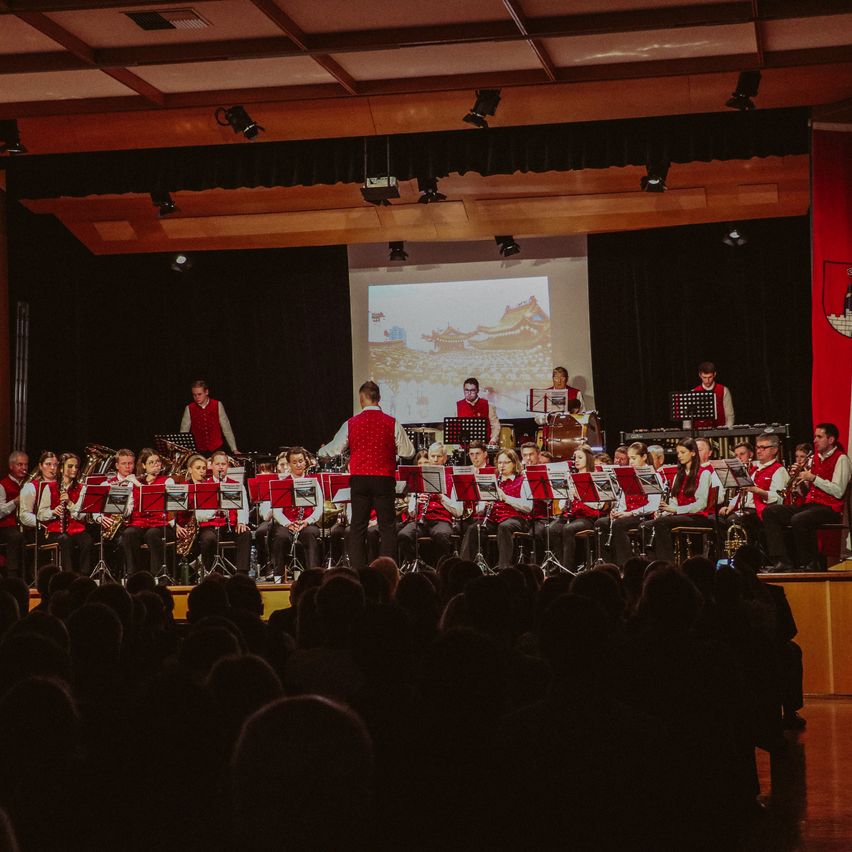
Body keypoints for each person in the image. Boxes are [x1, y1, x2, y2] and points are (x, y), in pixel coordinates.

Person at [318, 381, 414, 570]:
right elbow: (408, 452)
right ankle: (387, 571)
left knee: (358, 526)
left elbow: (334, 449)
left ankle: (358, 570)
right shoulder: (391, 422)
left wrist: (321, 452)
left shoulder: (351, 423)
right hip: (384, 479)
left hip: (360, 479)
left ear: (361, 398)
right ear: (379, 398)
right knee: (387, 527)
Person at [763, 423, 851, 572]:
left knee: (799, 519)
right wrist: (798, 480)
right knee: (770, 512)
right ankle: (782, 560)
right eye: (815, 436)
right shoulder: (814, 458)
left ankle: (810, 562)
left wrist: (813, 478)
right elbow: (807, 491)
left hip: (830, 508)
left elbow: (838, 491)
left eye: (819, 437)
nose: (815, 440)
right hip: (811, 504)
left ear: (831, 440)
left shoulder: (841, 459)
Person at [461, 448, 531, 569]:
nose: (502, 466)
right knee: (474, 528)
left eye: (506, 462)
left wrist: (505, 497)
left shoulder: (523, 481)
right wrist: (484, 505)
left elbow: (528, 507)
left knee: (504, 527)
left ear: (514, 463)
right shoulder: (493, 481)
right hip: (494, 518)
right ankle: (465, 567)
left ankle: (504, 568)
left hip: (516, 518)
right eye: (499, 463)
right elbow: (481, 507)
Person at [648, 437, 714, 563]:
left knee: (661, 523)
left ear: (693, 453)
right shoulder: (679, 474)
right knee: (646, 526)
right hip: (682, 514)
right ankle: (652, 563)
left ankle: (667, 563)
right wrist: (665, 511)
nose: (679, 456)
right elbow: (674, 501)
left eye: (683, 452)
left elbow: (701, 504)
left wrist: (675, 510)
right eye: (678, 453)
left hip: (697, 516)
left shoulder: (704, 473)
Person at [595, 442, 662, 566]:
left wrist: (629, 513)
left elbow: (653, 505)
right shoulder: (627, 474)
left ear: (644, 457)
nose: (631, 462)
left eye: (633, 458)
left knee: (619, 525)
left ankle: (625, 565)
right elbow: (622, 497)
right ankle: (608, 565)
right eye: (630, 458)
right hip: (628, 514)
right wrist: (617, 511)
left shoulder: (653, 475)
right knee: (601, 523)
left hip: (644, 515)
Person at [398, 443, 462, 566]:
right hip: (422, 519)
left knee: (442, 535)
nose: (435, 460)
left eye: (439, 456)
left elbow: (458, 512)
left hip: (441, 520)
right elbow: (411, 512)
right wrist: (417, 502)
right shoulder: (419, 477)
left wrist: (441, 496)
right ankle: (417, 563)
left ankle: (440, 567)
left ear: (445, 458)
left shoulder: (451, 480)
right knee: (403, 535)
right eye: (433, 456)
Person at [718, 434, 788, 545]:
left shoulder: (779, 470)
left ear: (774, 450)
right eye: (758, 447)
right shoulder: (754, 469)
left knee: (734, 521)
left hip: (761, 512)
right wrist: (730, 507)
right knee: (718, 520)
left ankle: (747, 556)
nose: (759, 451)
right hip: (745, 509)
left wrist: (756, 490)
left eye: (763, 448)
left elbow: (779, 498)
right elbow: (741, 494)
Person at [548, 445, 607, 570]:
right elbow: (562, 506)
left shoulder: (595, 476)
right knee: (552, 529)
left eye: (580, 457)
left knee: (568, 529)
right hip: (572, 515)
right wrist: (566, 496)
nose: (576, 461)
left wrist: (579, 495)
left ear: (589, 459)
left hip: (589, 517)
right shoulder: (570, 477)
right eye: (575, 458)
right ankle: (561, 565)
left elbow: (600, 505)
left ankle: (568, 568)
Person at [269, 446, 323, 576]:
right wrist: (288, 523)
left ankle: (313, 575)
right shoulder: (282, 483)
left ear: (305, 462)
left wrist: (307, 521)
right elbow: (276, 510)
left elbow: (319, 507)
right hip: (287, 524)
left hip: (307, 524)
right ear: (289, 464)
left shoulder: (313, 482)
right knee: (280, 536)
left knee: (310, 535)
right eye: (294, 462)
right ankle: (278, 575)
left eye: (301, 461)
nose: (298, 465)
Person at [122, 448, 174, 575]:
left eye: (158, 461)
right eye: (151, 462)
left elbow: (154, 497)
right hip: (139, 523)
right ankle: (134, 574)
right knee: (129, 534)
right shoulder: (134, 483)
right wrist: (120, 506)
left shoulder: (168, 481)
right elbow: (128, 509)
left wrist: (137, 485)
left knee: (152, 534)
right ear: (144, 466)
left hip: (160, 524)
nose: (156, 464)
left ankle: (158, 576)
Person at [200, 450, 251, 574]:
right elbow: (199, 516)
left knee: (245, 534)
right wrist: (216, 507)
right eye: (217, 464)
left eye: (223, 464)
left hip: (230, 526)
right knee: (208, 539)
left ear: (228, 466)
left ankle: (241, 573)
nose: (220, 467)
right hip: (211, 526)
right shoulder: (203, 486)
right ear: (211, 466)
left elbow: (244, 507)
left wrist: (242, 522)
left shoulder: (237, 485)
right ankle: (209, 572)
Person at [46, 453, 93, 574]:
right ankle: (68, 575)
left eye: (76, 467)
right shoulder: (50, 487)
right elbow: (41, 513)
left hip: (76, 528)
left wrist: (70, 503)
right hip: (56, 530)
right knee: (65, 540)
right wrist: (53, 512)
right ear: (61, 468)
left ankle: (84, 576)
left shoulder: (82, 488)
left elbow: (81, 515)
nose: (74, 470)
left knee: (87, 541)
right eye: (70, 466)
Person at [179, 378, 239, 455]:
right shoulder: (189, 408)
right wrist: (182, 451)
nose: (197, 397)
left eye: (199, 394)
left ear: (206, 392)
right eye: (194, 395)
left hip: (216, 448)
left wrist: (234, 449)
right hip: (199, 450)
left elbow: (226, 428)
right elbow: (184, 433)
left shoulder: (217, 405)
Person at [0, 451, 28, 578]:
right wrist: (15, 502)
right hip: (6, 525)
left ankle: (30, 575)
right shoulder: (2, 485)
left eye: (26, 465)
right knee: (15, 536)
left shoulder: (28, 484)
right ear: (11, 466)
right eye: (20, 464)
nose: (24, 468)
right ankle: (12, 575)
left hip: (25, 523)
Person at [688, 361, 734, 429]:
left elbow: (729, 415)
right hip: (699, 434)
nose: (707, 380)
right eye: (704, 377)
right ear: (700, 375)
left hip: (720, 432)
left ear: (714, 374)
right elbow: (687, 420)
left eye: (710, 377)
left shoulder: (724, 390)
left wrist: (727, 431)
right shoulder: (693, 392)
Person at [456, 378, 500, 446]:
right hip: (465, 448)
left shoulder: (488, 405)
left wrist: (493, 440)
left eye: (472, 390)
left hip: (484, 447)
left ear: (478, 391)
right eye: (466, 390)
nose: (469, 393)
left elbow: (495, 425)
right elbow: (456, 429)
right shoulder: (458, 406)